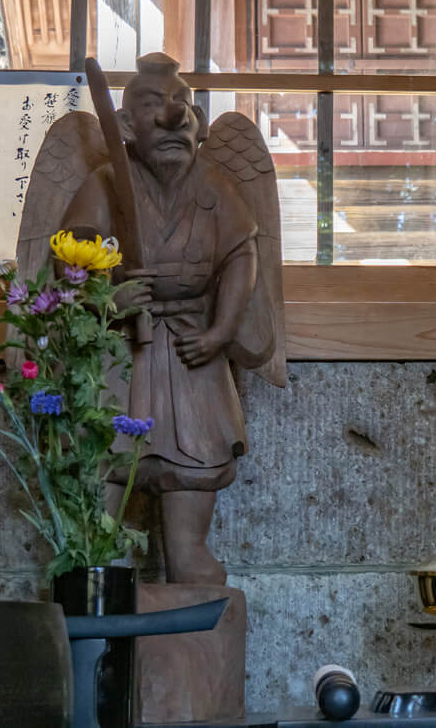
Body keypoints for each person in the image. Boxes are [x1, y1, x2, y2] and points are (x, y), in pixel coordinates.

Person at [61, 53, 261, 585]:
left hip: (190, 354)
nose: (174, 118)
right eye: (154, 105)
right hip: (119, 355)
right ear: (126, 125)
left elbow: (242, 254)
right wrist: (108, 300)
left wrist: (220, 332)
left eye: (185, 108)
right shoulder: (104, 184)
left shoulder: (215, 185)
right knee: (99, 482)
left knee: (191, 497)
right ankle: (93, 571)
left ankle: (189, 565)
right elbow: (68, 261)